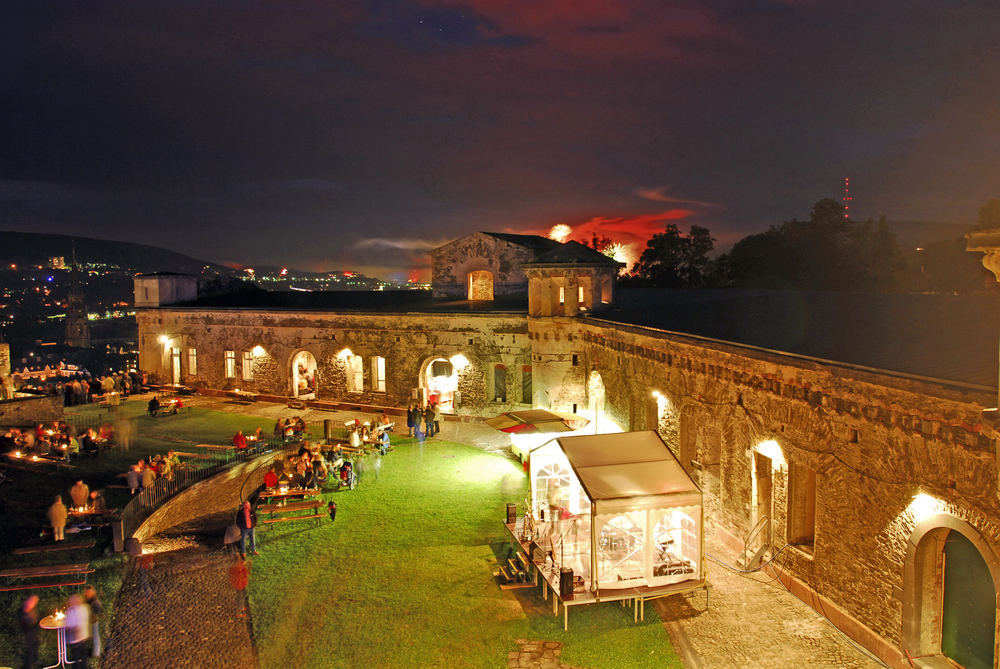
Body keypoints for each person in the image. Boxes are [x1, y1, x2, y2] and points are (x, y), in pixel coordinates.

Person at [64, 593, 91, 663]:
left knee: (76, 658)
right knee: (82, 658)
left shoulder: (72, 611)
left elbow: (69, 624)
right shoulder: (85, 608)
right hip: (83, 636)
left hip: (75, 638)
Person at [84, 585, 103, 658]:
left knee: (95, 637)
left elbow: (98, 611)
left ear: (91, 592)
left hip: (93, 621)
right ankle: (94, 652)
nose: (85, 593)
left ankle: (96, 653)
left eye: (87, 592)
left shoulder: (94, 601)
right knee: (94, 637)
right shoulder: (89, 599)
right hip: (90, 621)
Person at [20, 594, 39, 669]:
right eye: (34, 602)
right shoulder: (25, 610)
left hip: (33, 630)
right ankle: (27, 666)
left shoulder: (30, 608)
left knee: (36, 644)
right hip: (29, 632)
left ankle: (35, 660)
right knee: (30, 649)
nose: (34, 604)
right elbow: (27, 622)